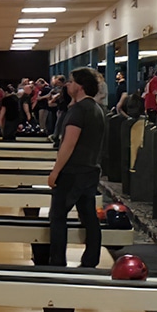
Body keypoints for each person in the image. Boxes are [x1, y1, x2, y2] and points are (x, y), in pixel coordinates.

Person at [48, 67, 106, 268]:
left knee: (57, 217)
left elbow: (68, 144)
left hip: (72, 173)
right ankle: (90, 261)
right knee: (89, 217)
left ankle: (57, 263)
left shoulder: (78, 111)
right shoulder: (97, 109)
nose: (68, 85)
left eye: (71, 82)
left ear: (80, 87)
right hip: (91, 171)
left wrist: (55, 171)